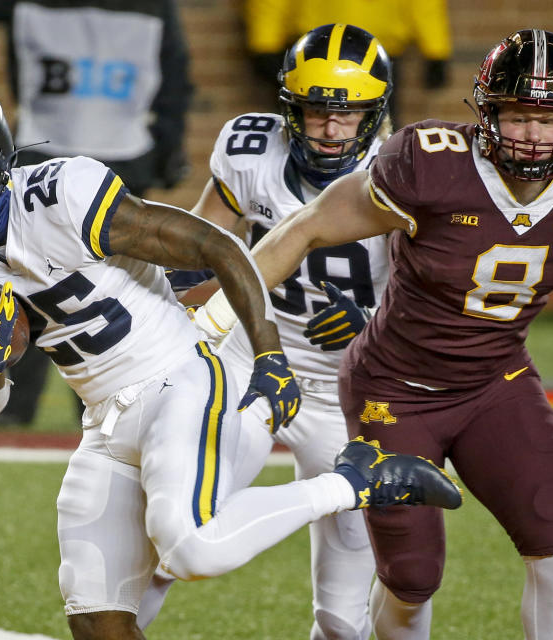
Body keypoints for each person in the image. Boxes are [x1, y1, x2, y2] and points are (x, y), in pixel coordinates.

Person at [188, 29, 553, 639]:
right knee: (410, 579)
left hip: (496, 384)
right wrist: (217, 317)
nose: (532, 135)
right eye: (516, 115)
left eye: (550, 117)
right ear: (486, 113)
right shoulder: (429, 163)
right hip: (394, 388)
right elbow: (303, 228)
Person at [0, 81, 463, 640]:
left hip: (177, 378)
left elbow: (218, 245)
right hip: (102, 416)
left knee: (191, 548)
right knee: (95, 613)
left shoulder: (63, 197)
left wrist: (267, 355)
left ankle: (355, 479)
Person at [144, 24, 393, 639]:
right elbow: (202, 246)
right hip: (250, 358)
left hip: (349, 389)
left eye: (349, 113)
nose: (332, 129)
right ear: (290, 107)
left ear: (376, 113)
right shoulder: (251, 149)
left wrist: (377, 328)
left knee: (341, 617)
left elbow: (441, 294)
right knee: (169, 537)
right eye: (316, 111)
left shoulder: (407, 170)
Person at [0, 0, 194, 426]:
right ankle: (20, 414)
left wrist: (166, 147)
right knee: (29, 285)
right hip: (65, 158)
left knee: (92, 290)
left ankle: (106, 407)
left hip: (106, 159)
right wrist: (165, 147)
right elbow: (176, 80)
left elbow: (174, 75)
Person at [242, 0, 452, 124]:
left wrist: (435, 49)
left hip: (377, 55)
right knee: (307, 129)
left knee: (378, 132)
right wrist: (264, 42)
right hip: (315, 54)